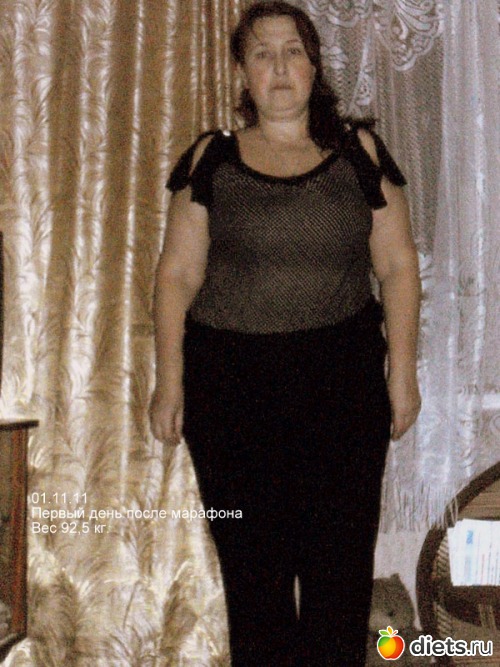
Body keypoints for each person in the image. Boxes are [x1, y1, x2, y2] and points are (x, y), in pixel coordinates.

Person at [149, 1, 421, 664]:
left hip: (342, 391)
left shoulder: (359, 153)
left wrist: (403, 374)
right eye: (262, 53)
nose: (278, 66)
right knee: (256, 583)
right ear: (242, 71)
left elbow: (397, 266)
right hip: (231, 395)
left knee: (339, 578)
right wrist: (168, 381)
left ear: (314, 65)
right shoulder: (211, 158)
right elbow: (176, 275)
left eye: (292, 51)